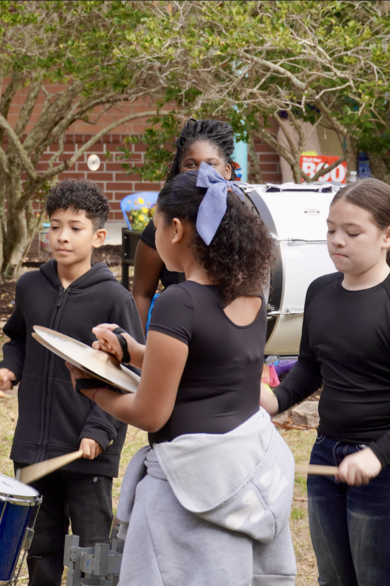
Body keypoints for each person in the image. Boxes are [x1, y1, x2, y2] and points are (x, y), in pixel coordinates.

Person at [75, 166, 296, 584]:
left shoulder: (179, 301)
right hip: (242, 470)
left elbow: (151, 414)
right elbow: (210, 363)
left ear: (174, 229)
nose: (153, 235)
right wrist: (131, 350)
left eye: (154, 226)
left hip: (189, 490)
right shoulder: (251, 290)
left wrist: (89, 386)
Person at [260, 178, 390, 586]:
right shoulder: (320, 292)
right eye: (331, 229)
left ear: (388, 236)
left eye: (352, 232)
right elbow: (312, 367)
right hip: (328, 451)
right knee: (333, 579)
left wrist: (377, 454)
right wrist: (274, 400)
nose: (337, 241)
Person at [0, 179, 144, 585]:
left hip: (86, 450)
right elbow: (19, 338)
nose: (62, 236)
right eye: (55, 225)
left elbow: (129, 375)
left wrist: (99, 430)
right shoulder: (30, 286)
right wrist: (11, 367)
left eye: (75, 227)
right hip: (34, 446)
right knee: (40, 547)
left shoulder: (115, 299)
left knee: (93, 552)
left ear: (97, 236)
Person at [131, 118, 237, 331]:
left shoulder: (242, 224)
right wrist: (134, 350)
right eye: (191, 164)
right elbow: (142, 294)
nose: (200, 173)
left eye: (211, 164)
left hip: (225, 339)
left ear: (227, 171)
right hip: (175, 331)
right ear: (179, 169)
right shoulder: (161, 227)